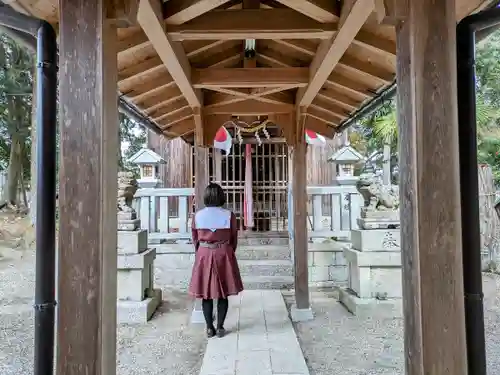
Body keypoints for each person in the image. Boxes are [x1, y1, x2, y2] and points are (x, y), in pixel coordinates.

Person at [188, 183, 244, 338]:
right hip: (223, 252)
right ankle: (220, 327)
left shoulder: (197, 216)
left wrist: (201, 251)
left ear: (205, 196)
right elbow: (233, 237)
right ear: (221, 197)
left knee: (205, 293)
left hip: (204, 252)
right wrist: (228, 251)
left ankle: (208, 328)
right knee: (223, 292)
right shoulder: (228, 215)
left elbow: (195, 238)